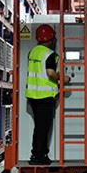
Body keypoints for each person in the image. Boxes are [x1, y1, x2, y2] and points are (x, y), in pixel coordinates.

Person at [26, 24, 69, 164]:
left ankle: (39, 155)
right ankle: (38, 156)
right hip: (45, 97)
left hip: (33, 96)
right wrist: (64, 78)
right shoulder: (50, 54)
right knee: (43, 128)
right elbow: (50, 74)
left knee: (39, 127)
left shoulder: (32, 52)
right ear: (51, 38)